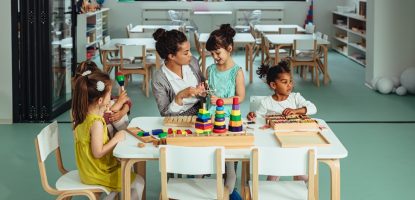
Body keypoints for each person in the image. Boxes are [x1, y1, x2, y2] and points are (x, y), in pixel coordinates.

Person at [72, 71, 144, 200]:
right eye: (109, 94)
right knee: (138, 182)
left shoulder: (82, 116)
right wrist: (116, 139)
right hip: (96, 172)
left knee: (122, 179)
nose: (111, 97)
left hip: (88, 169)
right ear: (100, 100)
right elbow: (98, 153)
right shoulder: (96, 123)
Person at [247, 61, 317, 181]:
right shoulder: (266, 102)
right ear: (273, 85)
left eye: (290, 81)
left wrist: (296, 111)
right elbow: (258, 120)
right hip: (275, 144)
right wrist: (252, 116)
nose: (289, 85)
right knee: (274, 175)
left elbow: (313, 108)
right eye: (284, 82)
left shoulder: (296, 97)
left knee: (303, 176)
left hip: (295, 142)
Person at [205, 24, 245, 200]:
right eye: (212, 54)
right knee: (209, 157)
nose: (215, 57)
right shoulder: (210, 70)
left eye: (218, 53)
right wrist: (203, 90)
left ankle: (228, 191)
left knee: (229, 160)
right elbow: (208, 93)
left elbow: (240, 97)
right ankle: (204, 187)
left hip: (230, 122)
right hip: (211, 120)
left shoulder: (237, 72)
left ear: (229, 49)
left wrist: (221, 101)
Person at [152, 28, 206, 116]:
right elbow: (165, 114)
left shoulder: (192, 62)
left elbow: (204, 87)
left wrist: (203, 91)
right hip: (178, 118)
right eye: (186, 53)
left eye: (189, 51)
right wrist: (179, 96)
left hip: (202, 110)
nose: (190, 55)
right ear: (171, 56)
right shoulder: (159, 79)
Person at [73, 61, 131, 137]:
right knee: (113, 104)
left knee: (113, 103)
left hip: (111, 137)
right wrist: (115, 107)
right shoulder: (82, 109)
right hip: (104, 140)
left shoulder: (98, 96)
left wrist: (122, 112)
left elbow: (127, 100)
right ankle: (127, 135)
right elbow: (98, 121)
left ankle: (127, 135)